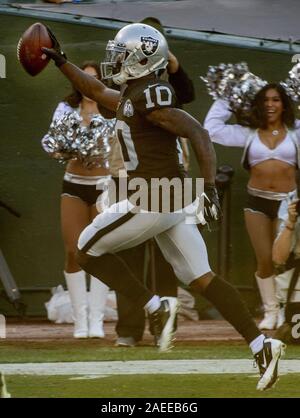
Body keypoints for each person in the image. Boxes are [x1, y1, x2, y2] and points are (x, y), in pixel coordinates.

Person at [41, 22, 285, 390]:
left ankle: (153, 305)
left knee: (86, 248)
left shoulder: (151, 96)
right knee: (202, 278)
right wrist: (61, 61)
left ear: (142, 58)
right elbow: (93, 88)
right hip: (170, 199)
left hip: (154, 196)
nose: (116, 61)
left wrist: (208, 187)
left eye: (122, 55)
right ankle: (261, 344)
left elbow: (197, 132)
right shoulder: (133, 94)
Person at [204, 83, 299, 330]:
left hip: (288, 202)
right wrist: (229, 92)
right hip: (256, 201)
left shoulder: (295, 131)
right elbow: (211, 129)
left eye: (276, 100)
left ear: (284, 104)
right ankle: (270, 311)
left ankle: (287, 309)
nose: (270, 105)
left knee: (285, 258)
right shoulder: (248, 133)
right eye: (265, 100)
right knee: (265, 259)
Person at [43, 61, 110, 339]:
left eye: (92, 79)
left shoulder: (112, 108)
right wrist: (61, 150)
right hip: (74, 183)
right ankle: (79, 320)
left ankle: (97, 319)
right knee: (73, 251)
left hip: (105, 186)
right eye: (83, 79)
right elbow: (51, 142)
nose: (87, 84)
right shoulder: (65, 109)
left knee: (100, 250)